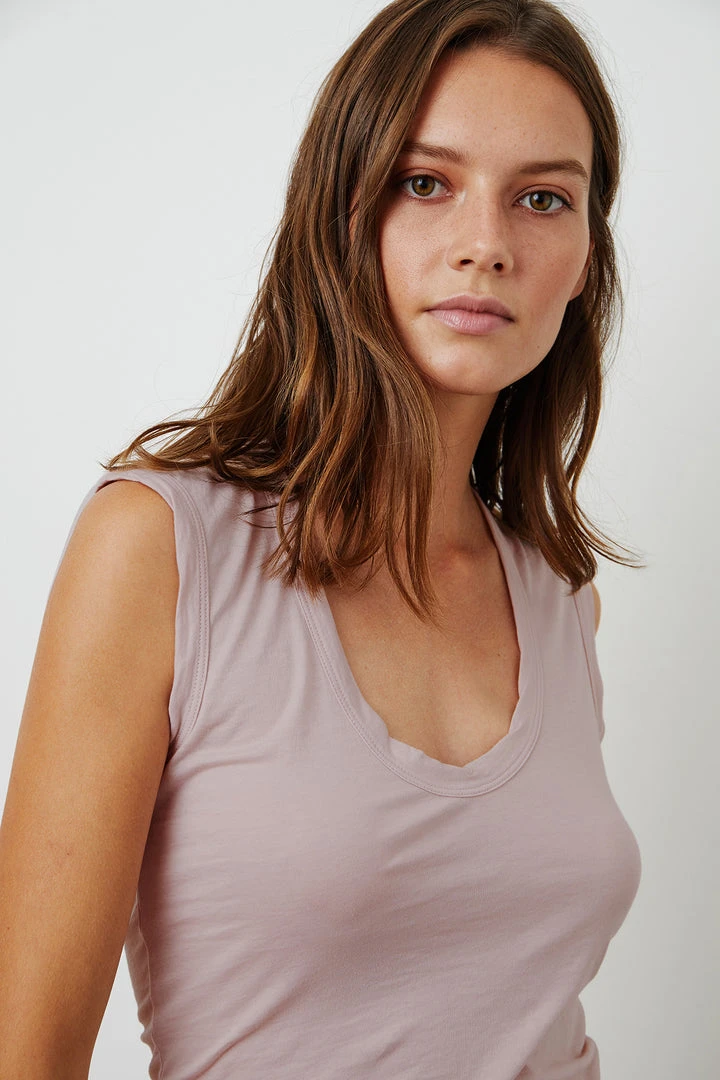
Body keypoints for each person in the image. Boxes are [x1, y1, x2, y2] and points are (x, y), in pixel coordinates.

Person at [0, 0, 645, 1076]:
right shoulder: (161, 549)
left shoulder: (559, 596)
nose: (487, 246)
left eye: (543, 199)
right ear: (342, 210)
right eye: (425, 182)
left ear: (584, 259)